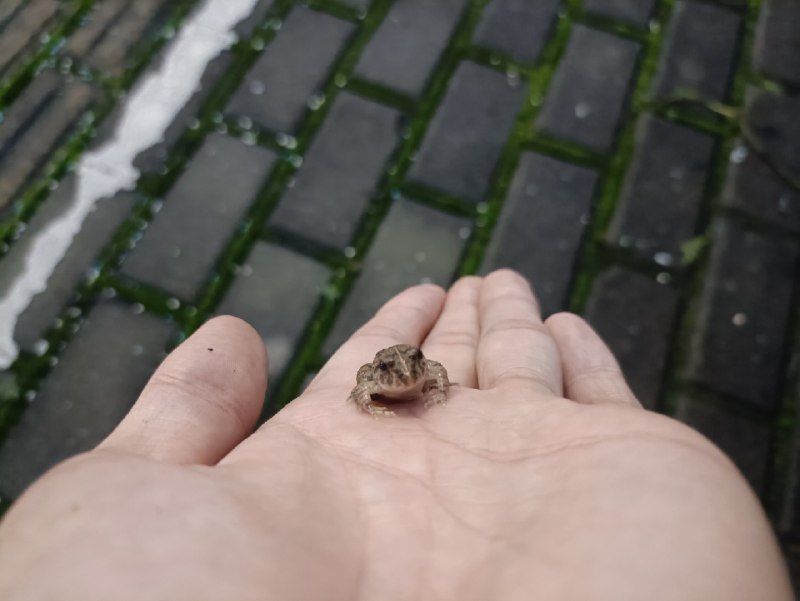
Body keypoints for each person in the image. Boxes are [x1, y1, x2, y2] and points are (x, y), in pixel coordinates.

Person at [0, 270, 791, 600]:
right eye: (401, 370)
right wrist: (376, 404)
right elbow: (360, 385)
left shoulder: (421, 371)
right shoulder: (379, 378)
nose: (408, 373)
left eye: (411, 369)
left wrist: (434, 385)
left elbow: (435, 375)